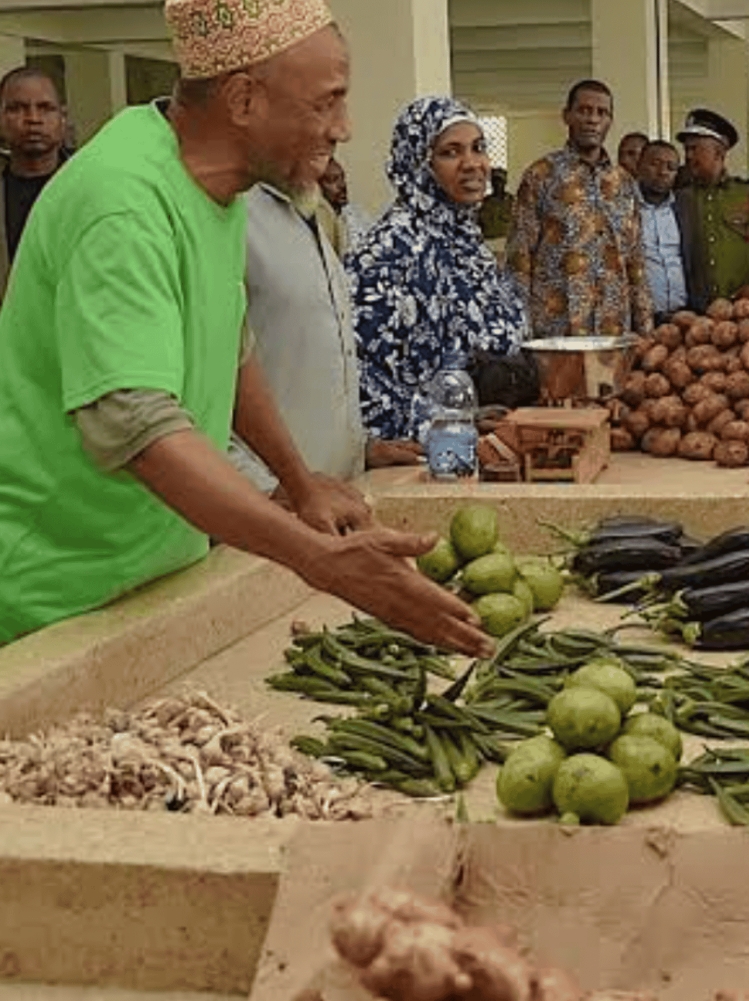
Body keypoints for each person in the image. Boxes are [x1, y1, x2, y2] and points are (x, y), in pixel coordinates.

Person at [0, 0, 491, 656]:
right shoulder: (122, 203)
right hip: (59, 596)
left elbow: (229, 345)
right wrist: (315, 557)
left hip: (157, 568)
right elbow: (134, 422)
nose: (343, 128)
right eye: (326, 102)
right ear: (243, 100)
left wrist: (300, 484)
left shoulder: (215, 187)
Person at [350, 96, 529, 447]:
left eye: (478, 148)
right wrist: (448, 422)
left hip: (492, 439)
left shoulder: (467, 242)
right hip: (436, 453)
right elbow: (357, 375)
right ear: (419, 164)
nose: (472, 164)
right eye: (450, 152)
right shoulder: (391, 251)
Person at [229, 175, 376, 496]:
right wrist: (274, 490)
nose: (339, 132)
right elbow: (204, 396)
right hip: (262, 501)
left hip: (328, 498)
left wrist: (361, 450)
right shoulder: (236, 214)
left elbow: (305, 359)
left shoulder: (306, 212)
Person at [507, 80, 651, 338]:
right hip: (557, 329)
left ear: (610, 121)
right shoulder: (542, 175)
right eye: (584, 111)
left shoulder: (623, 183)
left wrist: (645, 328)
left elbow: (635, 257)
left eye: (601, 113)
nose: (592, 120)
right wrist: (520, 329)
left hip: (612, 327)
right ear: (567, 116)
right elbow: (519, 256)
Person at [674, 108, 749, 307]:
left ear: (719, 152)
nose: (688, 156)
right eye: (686, 150)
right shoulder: (680, 198)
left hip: (739, 307)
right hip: (693, 310)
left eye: (695, 149)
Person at [0, 66, 68, 295]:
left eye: (45, 108)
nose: (33, 119)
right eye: (17, 108)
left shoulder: (89, 184)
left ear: (62, 118)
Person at [636, 139, 689, 322]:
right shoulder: (623, 206)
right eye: (655, 164)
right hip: (639, 317)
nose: (663, 172)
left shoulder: (684, 208)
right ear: (639, 166)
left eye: (671, 167)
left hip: (682, 315)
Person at [316, 156, 372, 258]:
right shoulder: (317, 223)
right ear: (317, 186)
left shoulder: (358, 214)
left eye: (342, 178)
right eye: (333, 180)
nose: (342, 185)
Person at [477, 166, 514, 242]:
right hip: (488, 241)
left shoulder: (512, 201)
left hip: (506, 241)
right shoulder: (485, 202)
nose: (497, 184)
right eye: (495, 181)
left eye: (500, 181)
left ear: (504, 183)